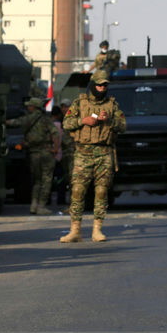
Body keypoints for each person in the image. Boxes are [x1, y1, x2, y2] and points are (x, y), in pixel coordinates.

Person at [60, 70, 126, 242]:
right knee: (77, 190)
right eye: (99, 85)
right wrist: (83, 121)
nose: (102, 88)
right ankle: (75, 230)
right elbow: (66, 123)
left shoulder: (112, 105)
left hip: (104, 153)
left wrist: (109, 120)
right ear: (92, 85)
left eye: (105, 85)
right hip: (83, 153)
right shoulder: (79, 103)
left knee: (102, 191)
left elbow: (123, 126)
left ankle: (97, 229)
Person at [6, 97, 59, 215]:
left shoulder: (27, 119)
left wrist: (6, 122)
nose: (28, 107)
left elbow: (16, 122)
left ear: (34, 107)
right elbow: (55, 133)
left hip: (34, 153)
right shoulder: (46, 119)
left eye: (29, 105)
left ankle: (34, 205)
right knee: (47, 180)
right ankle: (41, 206)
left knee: (37, 181)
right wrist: (55, 148)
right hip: (46, 152)